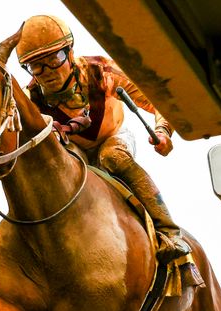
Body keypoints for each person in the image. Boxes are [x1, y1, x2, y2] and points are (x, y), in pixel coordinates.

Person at [18, 14, 189, 262]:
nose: (47, 73)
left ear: (70, 50)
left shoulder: (102, 71)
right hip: (73, 151)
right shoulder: (31, 97)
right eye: (36, 66)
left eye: (54, 59)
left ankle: (169, 232)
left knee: (113, 157)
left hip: (113, 138)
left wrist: (163, 130)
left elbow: (157, 100)